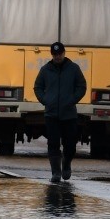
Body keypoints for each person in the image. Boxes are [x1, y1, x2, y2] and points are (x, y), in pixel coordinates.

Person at [33, 41, 86, 183]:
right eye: (54, 54)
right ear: (52, 55)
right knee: (53, 144)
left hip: (69, 115)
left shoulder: (73, 69)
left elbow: (82, 86)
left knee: (70, 145)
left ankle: (67, 163)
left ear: (64, 53)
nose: (57, 56)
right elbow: (38, 87)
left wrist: (72, 100)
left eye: (59, 54)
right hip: (51, 115)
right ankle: (56, 172)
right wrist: (45, 100)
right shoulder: (45, 70)